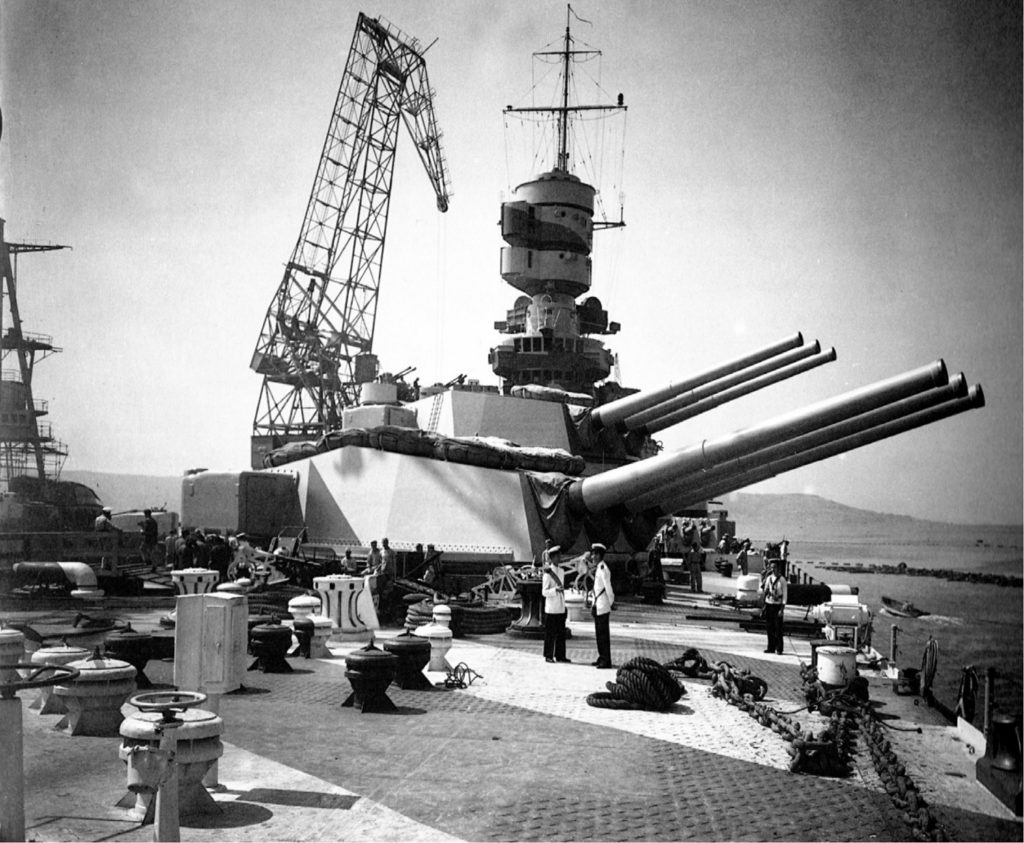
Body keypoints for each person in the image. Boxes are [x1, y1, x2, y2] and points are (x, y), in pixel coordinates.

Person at [541, 545, 569, 663]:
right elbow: (544, 591)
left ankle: (560, 655)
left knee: (561, 634)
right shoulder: (548, 573)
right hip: (551, 608)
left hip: (560, 607)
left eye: (559, 555)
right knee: (550, 634)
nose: (559, 558)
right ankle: (548, 655)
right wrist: (555, 591)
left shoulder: (561, 571)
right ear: (551, 558)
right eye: (557, 556)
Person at [590, 543, 615, 669]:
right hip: (598, 605)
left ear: (599, 555)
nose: (592, 556)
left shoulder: (603, 569)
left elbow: (608, 589)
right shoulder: (599, 568)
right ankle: (601, 657)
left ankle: (606, 660)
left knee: (603, 635)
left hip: (603, 606)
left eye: (594, 554)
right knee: (599, 634)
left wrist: (610, 603)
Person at [761, 559, 787, 654]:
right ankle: (771, 647)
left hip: (777, 605)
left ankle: (779, 648)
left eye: (775, 567)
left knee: (778, 628)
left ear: (778, 568)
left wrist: (782, 609)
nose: (773, 569)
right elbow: (765, 590)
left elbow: (785, 596)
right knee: (769, 627)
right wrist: (763, 604)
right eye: (772, 568)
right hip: (769, 604)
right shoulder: (769, 578)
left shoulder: (782, 580)